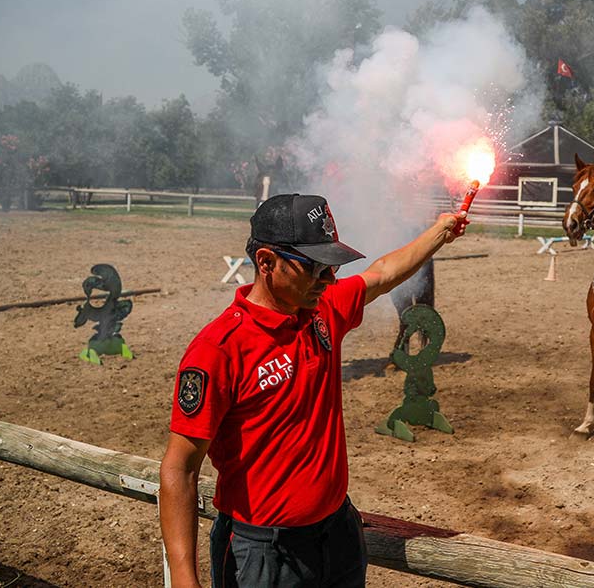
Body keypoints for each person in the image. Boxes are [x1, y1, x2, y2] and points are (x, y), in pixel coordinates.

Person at [158, 193, 465, 588]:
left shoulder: (323, 311)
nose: (329, 280)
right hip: (264, 550)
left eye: (331, 268)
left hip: (337, 532)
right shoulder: (218, 349)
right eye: (316, 268)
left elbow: (383, 273)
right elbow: (179, 469)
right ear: (266, 262)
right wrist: (185, 580)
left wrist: (440, 231)